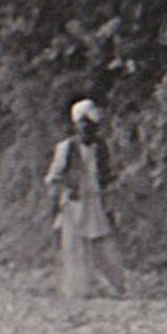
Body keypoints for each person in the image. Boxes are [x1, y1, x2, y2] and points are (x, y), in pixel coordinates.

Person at [44, 99, 126, 301]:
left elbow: (107, 176)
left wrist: (112, 200)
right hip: (74, 203)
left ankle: (116, 287)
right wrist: (54, 205)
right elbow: (54, 177)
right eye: (86, 124)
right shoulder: (66, 148)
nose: (90, 129)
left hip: (96, 202)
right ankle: (79, 290)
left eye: (93, 125)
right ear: (78, 124)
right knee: (74, 247)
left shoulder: (101, 148)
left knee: (103, 244)